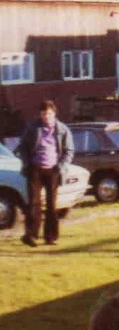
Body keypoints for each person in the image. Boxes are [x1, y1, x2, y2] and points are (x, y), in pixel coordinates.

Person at [15, 100, 74, 247]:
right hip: (35, 169)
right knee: (34, 203)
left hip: (53, 170)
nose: (46, 117)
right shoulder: (32, 128)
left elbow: (69, 151)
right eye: (43, 114)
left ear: (54, 114)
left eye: (48, 113)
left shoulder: (62, 129)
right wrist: (27, 163)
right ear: (40, 114)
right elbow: (22, 147)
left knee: (51, 204)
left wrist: (61, 166)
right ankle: (30, 236)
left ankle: (51, 237)